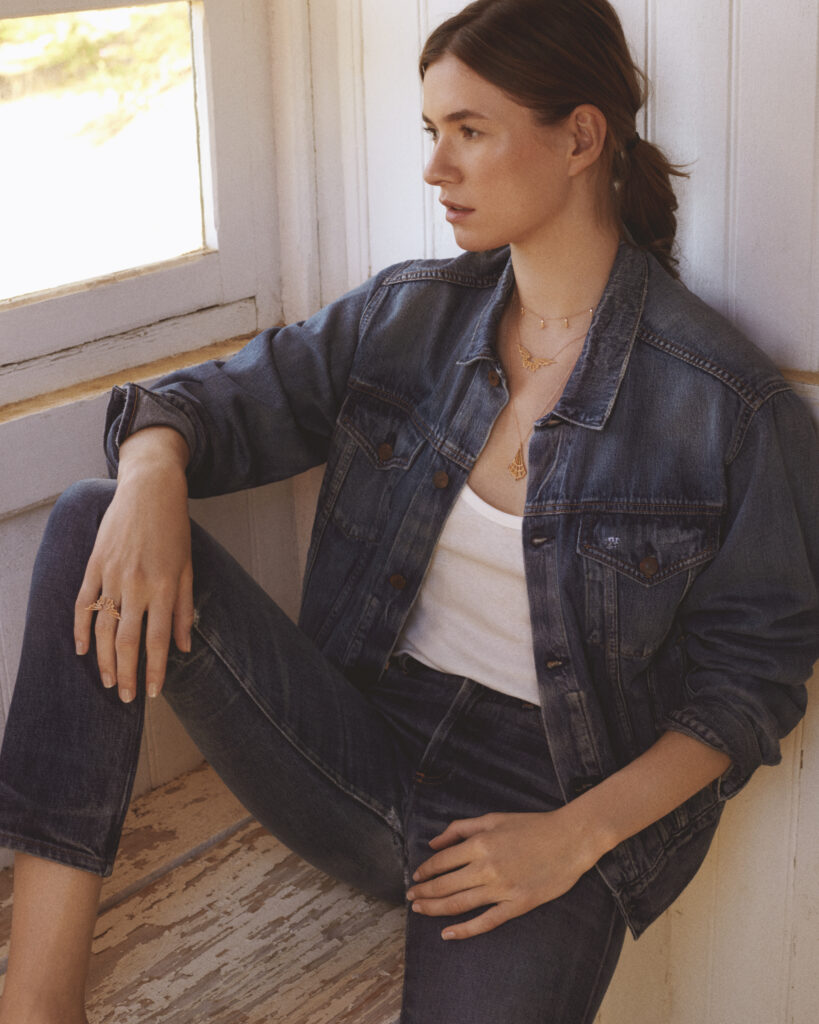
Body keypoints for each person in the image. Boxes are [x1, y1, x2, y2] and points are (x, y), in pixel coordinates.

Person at [0, 0, 817, 1021]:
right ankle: (36, 1000)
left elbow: (752, 683)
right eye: (432, 131)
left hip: (549, 805)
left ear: (580, 137)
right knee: (96, 515)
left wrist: (573, 838)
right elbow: (206, 404)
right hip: (355, 751)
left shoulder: (726, 405)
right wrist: (155, 465)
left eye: (469, 130)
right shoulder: (407, 315)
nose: (436, 168)